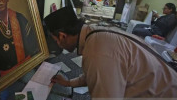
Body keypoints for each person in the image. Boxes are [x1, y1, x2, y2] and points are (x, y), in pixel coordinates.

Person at [44, 6, 177, 98]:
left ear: (62, 36)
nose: (57, 44)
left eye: (55, 40)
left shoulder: (97, 52)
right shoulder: (93, 32)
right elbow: (97, 73)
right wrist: (69, 83)